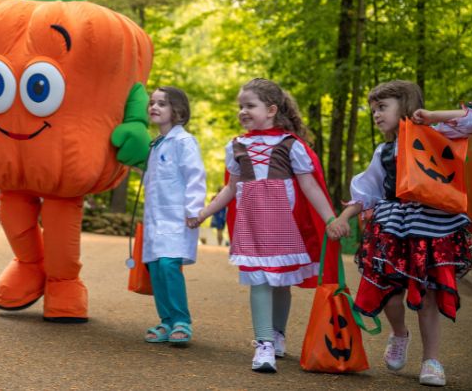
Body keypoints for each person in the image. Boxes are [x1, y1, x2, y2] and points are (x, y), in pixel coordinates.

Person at [327, 80, 472, 387]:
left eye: (382, 108)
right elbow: (366, 192)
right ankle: (399, 333)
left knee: (430, 295)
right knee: (390, 293)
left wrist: (432, 115)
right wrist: (342, 216)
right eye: (372, 110)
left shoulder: (439, 135)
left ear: (405, 106)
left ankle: (432, 360)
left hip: (432, 227)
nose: (376, 115)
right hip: (393, 226)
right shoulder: (383, 151)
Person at [196, 78, 336, 373]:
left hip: (283, 223)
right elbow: (230, 188)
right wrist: (204, 213)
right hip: (252, 224)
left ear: (271, 109)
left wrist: (330, 219)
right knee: (259, 280)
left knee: (281, 282)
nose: (243, 111)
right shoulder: (236, 145)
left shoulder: (290, 144)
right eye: (241, 107)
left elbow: (310, 187)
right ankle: (264, 344)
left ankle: (277, 335)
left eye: (250, 106)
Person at [143, 86, 206, 345]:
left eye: (162, 103)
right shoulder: (156, 144)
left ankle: (182, 320)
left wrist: (194, 209)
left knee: (169, 265)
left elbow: (195, 175)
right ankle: (166, 321)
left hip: (177, 217)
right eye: (152, 103)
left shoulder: (184, 142)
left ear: (177, 111)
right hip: (155, 218)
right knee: (156, 267)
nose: (154, 107)